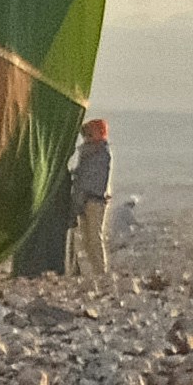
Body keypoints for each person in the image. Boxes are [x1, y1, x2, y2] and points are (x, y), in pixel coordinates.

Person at [62, 113, 117, 281]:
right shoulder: (88, 153)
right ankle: (92, 272)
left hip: (95, 200)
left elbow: (90, 179)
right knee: (85, 239)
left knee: (94, 238)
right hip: (84, 199)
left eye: (89, 133)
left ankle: (101, 272)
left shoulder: (101, 153)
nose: (86, 137)